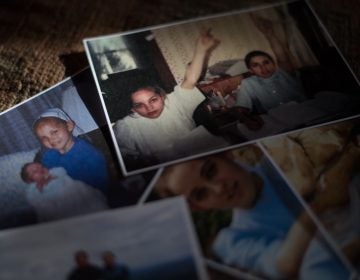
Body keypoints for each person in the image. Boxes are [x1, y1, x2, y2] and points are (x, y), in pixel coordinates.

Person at [154, 150, 350, 279]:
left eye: (211, 171)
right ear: (198, 207)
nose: (218, 188)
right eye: (201, 194)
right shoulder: (232, 239)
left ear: (227, 156)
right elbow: (285, 266)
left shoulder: (281, 159)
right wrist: (322, 203)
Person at [113, 29, 221, 163]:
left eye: (153, 100)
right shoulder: (125, 126)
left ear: (162, 96)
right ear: (132, 109)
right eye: (139, 105)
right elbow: (127, 158)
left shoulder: (175, 103)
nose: (149, 108)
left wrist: (201, 49)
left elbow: (190, 80)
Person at [232, 15, 307, 129]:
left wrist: (270, 34)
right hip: (279, 122)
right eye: (256, 65)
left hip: (305, 114)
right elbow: (241, 108)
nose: (263, 68)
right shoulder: (248, 84)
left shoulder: (284, 73)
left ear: (273, 63)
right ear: (250, 70)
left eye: (266, 63)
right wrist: (247, 119)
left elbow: (283, 57)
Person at [33, 107, 109, 193]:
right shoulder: (49, 154)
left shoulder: (90, 155)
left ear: (69, 126)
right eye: (44, 138)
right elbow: (47, 173)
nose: (51, 139)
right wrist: (44, 180)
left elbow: (101, 185)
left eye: (54, 132)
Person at [20, 162, 108, 222]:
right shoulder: (34, 194)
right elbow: (43, 211)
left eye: (42, 167)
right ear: (29, 180)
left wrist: (54, 178)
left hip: (79, 199)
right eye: (35, 171)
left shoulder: (58, 175)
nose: (40, 170)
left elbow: (75, 186)